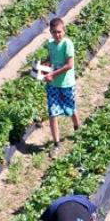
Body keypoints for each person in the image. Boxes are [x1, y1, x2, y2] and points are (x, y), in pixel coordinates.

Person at [44, 17, 79, 148]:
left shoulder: (67, 44)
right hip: (53, 85)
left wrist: (52, 74)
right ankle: (56, 144)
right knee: (53, 113)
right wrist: (43, 65)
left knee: (71, 109)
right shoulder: (50, 44)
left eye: (59, 31)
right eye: (54, 32)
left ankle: (77, 128)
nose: (57, 35)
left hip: (66, 84)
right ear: (50, 32)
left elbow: (69, 65)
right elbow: (51, 58)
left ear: (64, 31)